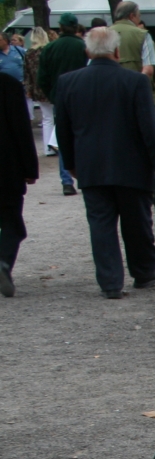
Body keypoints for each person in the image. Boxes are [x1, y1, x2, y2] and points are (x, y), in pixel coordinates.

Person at [55, 26, 155, 298]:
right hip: (131, 163)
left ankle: (110, 281)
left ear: (87, 51)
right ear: (117, 51)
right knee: (137, 222)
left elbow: (63, 129)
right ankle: (143, 271)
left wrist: (70, 163)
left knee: (100, 224)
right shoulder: (134, 82)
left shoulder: (68, 82)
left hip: (91, 165)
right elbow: (148, 128)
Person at [36, 12, 87, 195]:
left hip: (60, 96)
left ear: (60, 26)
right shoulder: (82, 46)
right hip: (82, 97)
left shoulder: (50, 48)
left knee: (62, 136)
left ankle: (66, 180)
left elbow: (41, 77)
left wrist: (53, 95)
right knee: (84, 135)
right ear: (76, 27)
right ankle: (85, 175)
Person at [1, 64, 37, 296]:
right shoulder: (8, 85)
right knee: (12, 222)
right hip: (6, 166)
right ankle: (3, 260)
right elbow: (21, 128)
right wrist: (29, 168)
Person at [110, 3, 155, 83]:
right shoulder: (143, 35)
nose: (139, 19)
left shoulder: (103, 34)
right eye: (139, 16)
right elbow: (148, 70)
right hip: (134, 89)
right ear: (132, 16)